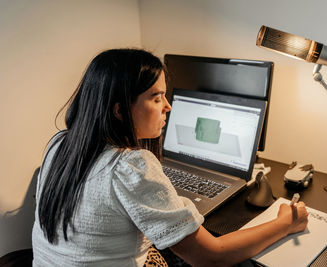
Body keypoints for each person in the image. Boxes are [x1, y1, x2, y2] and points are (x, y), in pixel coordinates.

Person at [32, 48, 308, 267]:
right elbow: (211, 257)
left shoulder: (60, 143)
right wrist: (285, 222)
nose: (168, 106)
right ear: (119, 111)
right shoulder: (130, 167)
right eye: (156, 97)